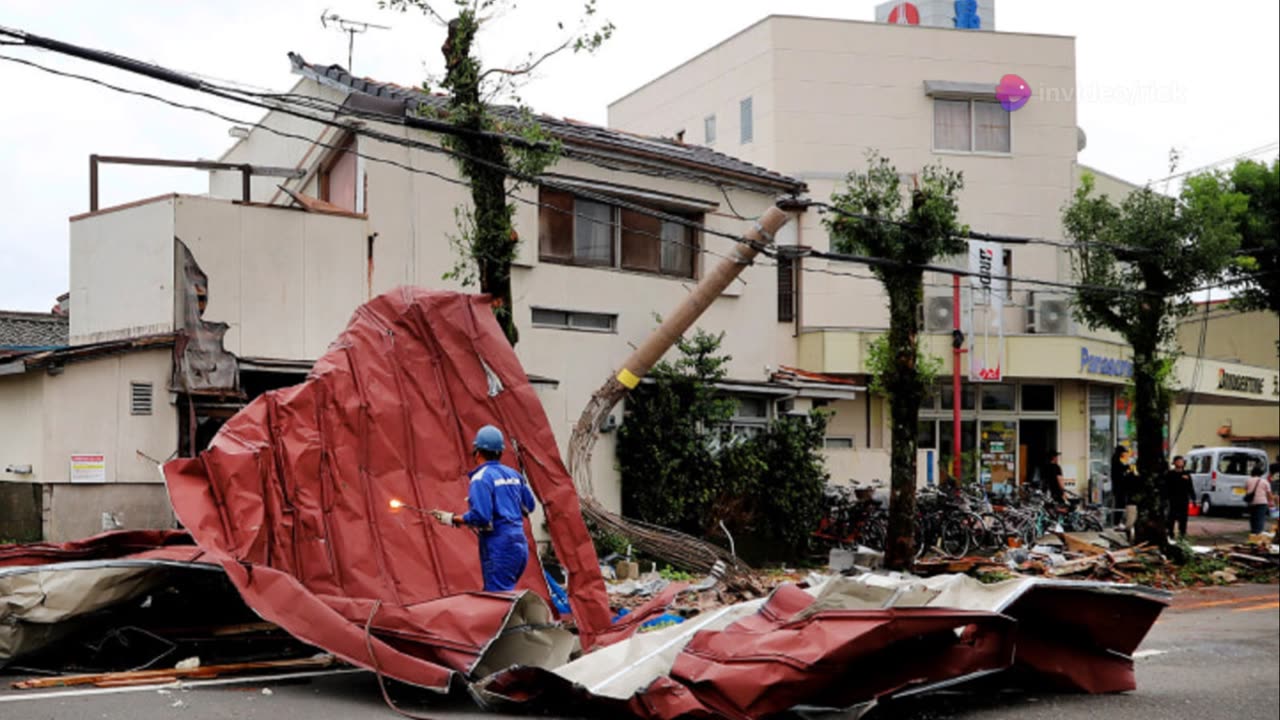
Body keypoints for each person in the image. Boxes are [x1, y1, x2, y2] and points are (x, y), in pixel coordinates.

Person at [430, 425, 536, 592]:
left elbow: (481, 517)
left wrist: (451, 518)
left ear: (477, 452)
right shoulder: (514, 475)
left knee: (498, 599)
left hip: (499, 546)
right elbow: (529, 506)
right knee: (506, 594)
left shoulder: (481, 478)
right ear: (500, 452)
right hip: (519, 546)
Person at [1163, 455, 1195, 540]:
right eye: (1178, 461)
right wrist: (1165, 498)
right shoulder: (1170, 474)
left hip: (1184, 499)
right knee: (1171, 518)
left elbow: (1190, 487)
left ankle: (1182, 535)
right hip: (1173, 499)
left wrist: (1193, 498)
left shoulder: (1186, 474)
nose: (1180, 463)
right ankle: (1170, 534)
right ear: (1174, 463)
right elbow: (1166, 487)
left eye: (1181, 461)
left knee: (1183, 519)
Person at [1111, 445, 1138, 539]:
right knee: (1120, 504)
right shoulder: (1116, 462)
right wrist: (1129, 468)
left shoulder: (1122, 461)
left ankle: (1120, 522)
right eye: (1125, 452)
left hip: (1124, 487)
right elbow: (1122, 470)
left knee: (1122, 504)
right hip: (1120, 487)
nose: (1126, 454)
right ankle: (1117, 522)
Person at [1244, 464, 1275, 535]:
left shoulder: (1248, 481)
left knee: (1253, 518)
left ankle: (1253, 532)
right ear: (1260, 473)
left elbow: (1246, 490)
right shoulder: (1265, 482)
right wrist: (1272, 502)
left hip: (1252, 502)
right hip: (1262, 503)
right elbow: (1269, 494)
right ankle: (1258, 533)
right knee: (1260, 518)